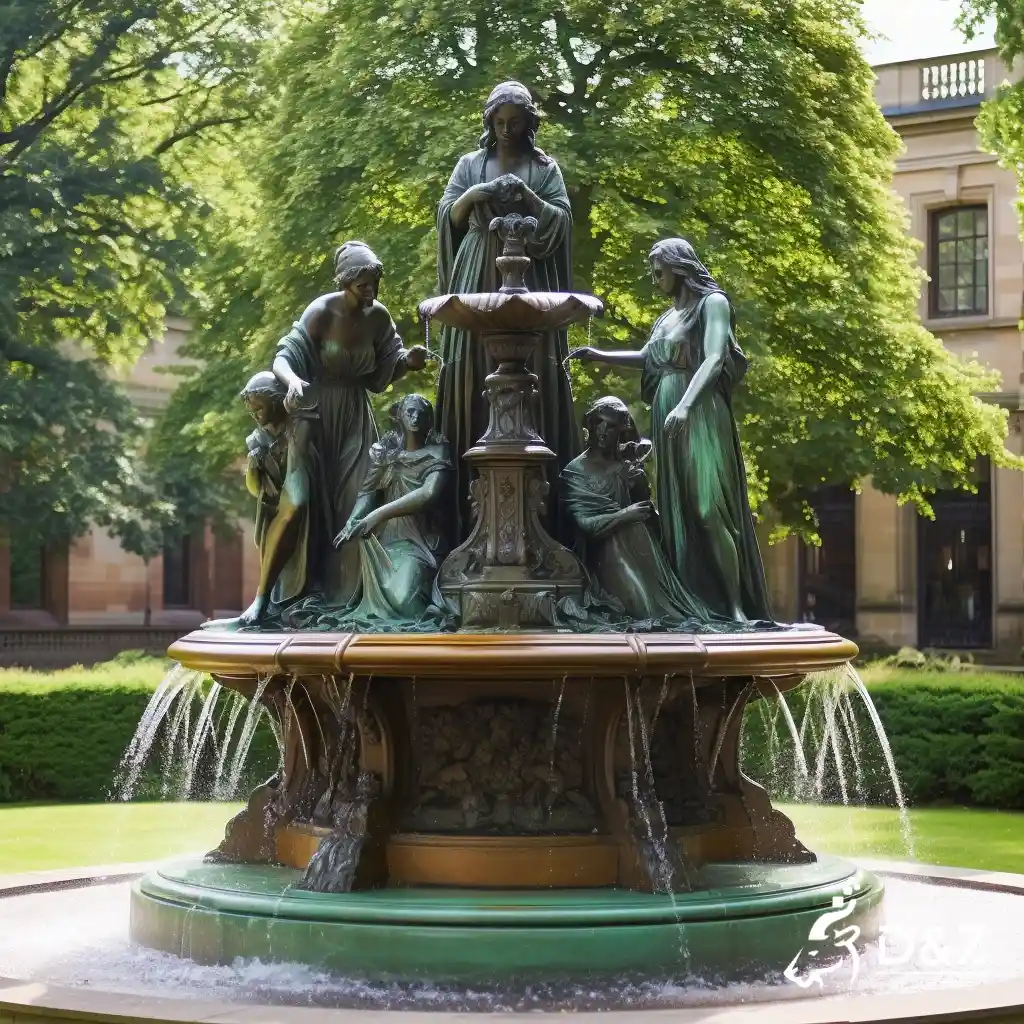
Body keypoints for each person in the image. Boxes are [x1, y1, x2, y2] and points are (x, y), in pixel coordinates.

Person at [568, 239, 772, 623]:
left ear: (678, 267)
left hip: (699, 412)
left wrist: (685, 405)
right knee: (679, 515)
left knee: (708, 508)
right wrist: (599, 355)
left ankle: (737, 608)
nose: (653, 276)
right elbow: (647, 358)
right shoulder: (666, 318)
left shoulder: (713, 304)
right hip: (668, 412)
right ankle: (697, 603)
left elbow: (714, 358)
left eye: (657, 269)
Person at [435, 80, 579, 543]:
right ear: (489, 122)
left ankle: (542, 521)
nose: (506, 130)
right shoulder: (469, 164)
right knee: (471, 375)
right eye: (499, 123)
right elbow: (449, 218)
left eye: (515, 123)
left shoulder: (544, 167)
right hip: (477, 273)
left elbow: (560, 219)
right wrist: (479, 192)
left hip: (529, 280)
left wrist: (529, 197)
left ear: (529, 123)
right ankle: (465, 518)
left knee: (532, 372)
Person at [272, 241, 428, 605]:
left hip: (356, 414)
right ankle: (308, 591)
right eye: (363, 284)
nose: (371, 291)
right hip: (317, 412)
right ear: (345, 282)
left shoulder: (379, 317)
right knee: (313, 502)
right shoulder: (322, 311)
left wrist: (409, 361)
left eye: (374, 282)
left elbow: (386, 368)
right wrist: (293, 380)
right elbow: (283, 358)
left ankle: (356, 594)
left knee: (361, 494)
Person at [561, 397, 711, 626]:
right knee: (648, 613)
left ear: (621, 430)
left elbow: (650, 517)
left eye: (610, 426)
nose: (602, 431)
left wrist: (639, 489)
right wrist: (625, 515)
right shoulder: (575, 471)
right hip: (605, 556)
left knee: (675, 616)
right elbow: (585, 525)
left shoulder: (627, 467)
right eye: (598, 423)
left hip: (644, 552)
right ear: (590, 425)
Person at [325, 395, 451, 630]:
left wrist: (375, 516)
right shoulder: (385, 452)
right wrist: (353, 521)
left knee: (406, 600)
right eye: (410, 412)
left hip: (420, 542)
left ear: (429, 420)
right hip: (386, 541)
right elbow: (367, 492)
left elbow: (428, 493)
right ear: (399, 416)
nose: (415, 417)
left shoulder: (438, 452)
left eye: (421, 414)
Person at [203, 371, 303, 629]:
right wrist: (253, 466)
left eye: (259, 409)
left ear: (275, 402)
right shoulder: (257, 439)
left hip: (295, 502)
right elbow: (254, 488)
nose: (256, 416)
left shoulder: (298, 427)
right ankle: (267, 604)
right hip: (270, 508)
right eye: (252, 411)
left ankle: (267, 602)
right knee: (270, 548)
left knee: (292, 520)